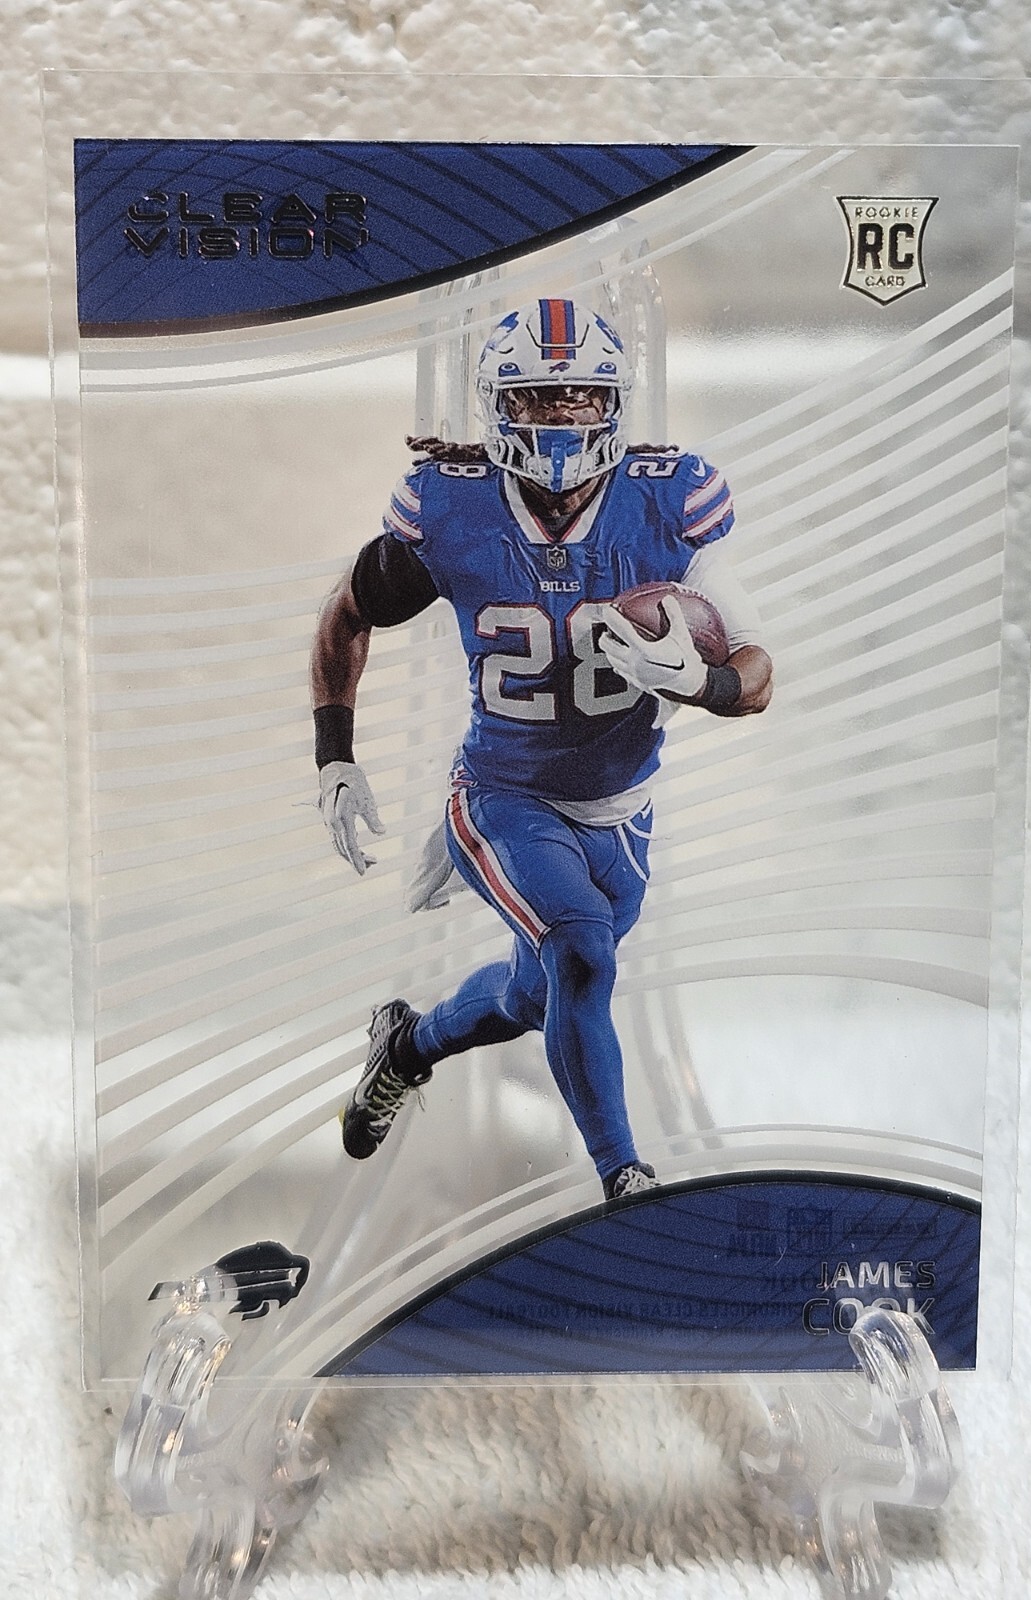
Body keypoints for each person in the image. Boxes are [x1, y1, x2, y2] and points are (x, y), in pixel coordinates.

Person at [310, 298, 772, 1201]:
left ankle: (406, 1045)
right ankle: (624, 1178)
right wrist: (335, 755)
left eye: (579, 395)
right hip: (502, 794)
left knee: (537, 995)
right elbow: (348, 613)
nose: (560, 416)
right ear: (497, 405)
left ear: (615, 402)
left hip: (621, 809)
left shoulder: (667, 502)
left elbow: (757, 671)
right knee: (582, 952)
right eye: (535, 397)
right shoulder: (452, 507)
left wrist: (701, 682)